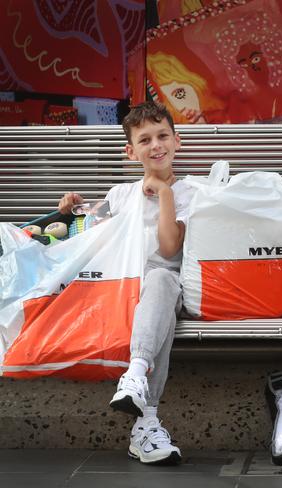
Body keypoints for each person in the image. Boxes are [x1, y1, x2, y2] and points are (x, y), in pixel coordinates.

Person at [58, 101, 195, 465]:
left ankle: (135, 374)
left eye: (163, 136)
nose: (156, 146)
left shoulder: (191, 193)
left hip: (166, 287)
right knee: (155, 307)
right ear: (131, 152)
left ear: (177, 142)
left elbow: (169, 248)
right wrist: (71, 209)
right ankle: (145, 423)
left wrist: (164, 193)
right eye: (145, 140)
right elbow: (92, 235)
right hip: (121, 287)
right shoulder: (120, 195)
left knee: (162, 282)